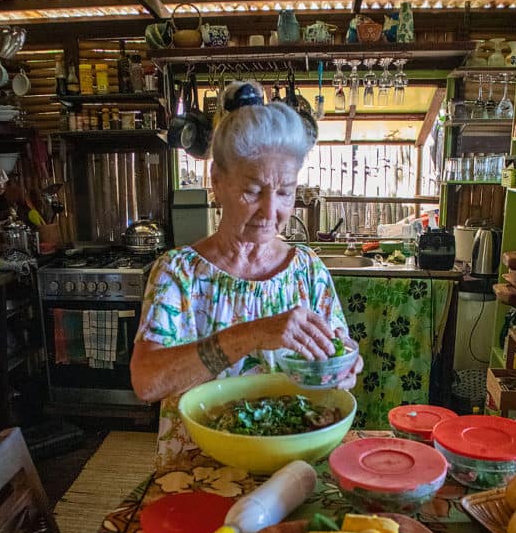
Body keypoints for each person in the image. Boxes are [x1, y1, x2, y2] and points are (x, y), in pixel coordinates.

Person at [131, 81, 363, 471]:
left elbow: (334, 357)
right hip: (199, 468)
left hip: (293, 465)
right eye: (254, 190)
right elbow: (147, 383)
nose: (271, 211)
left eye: (286, 192)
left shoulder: (307, 271)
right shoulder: (179, 273)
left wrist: (341, 367)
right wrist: (253, 334)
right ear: (217, 182)